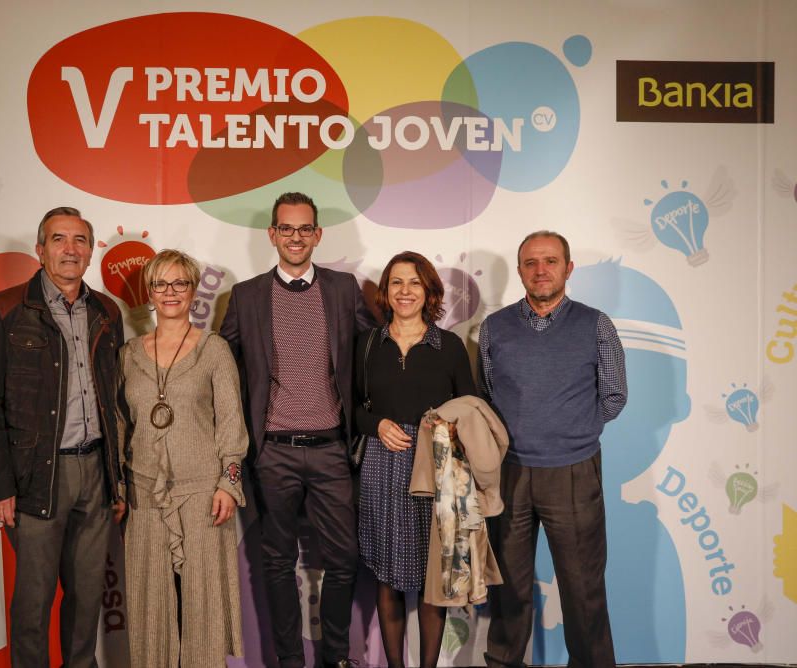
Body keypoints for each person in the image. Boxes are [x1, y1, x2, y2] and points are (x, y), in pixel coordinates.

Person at [0, 206, 126, 668]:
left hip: (95, 473)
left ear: (91, 251)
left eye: (79, 240)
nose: (70, 249)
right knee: (33, 604)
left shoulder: (106, 312)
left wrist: (116, 480)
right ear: (40, 250)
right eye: (59, 239)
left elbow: (113, 401)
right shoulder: (3, 311)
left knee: (87, 599)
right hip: (36, 476)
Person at [219, 192, 375, 668]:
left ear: (317, 235)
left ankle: (333, 657)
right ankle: (289, 659)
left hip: (331, 447)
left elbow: (374, 351)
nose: (295, 237)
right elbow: (221, 363)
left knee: (345, 560)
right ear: (272, 234)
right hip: (273, 452)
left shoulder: (344, 288)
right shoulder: (245, 296)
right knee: (277, 561)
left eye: (304, 228)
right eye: (286, 229)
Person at [480, 231, 627, 668]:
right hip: (509, 474)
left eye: (550, 261)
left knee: (582, 590)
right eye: (530, 262)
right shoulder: (495, 327)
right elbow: (488, 395)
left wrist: (572, 431)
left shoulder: (595, 324)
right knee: (509, 588)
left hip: (574, 472)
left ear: (568, 268)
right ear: (521, 269)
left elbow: (614, 395)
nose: (540, 270)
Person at [117, 249, 247, 667]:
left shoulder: (214, 350)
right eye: (160, 284)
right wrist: (118, 487)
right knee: (149, 605)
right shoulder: (128, 354)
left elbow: (231, 424)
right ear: (149, 294)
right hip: (143, 496)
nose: (170, 292)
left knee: (202, 606)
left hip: (204, 494)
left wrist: (229, 482)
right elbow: (120, 425)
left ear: (193, 292)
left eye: (180, 284)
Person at [355, 251, 477, 668]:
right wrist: (376, 425)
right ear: (386, 292)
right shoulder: (367, 343)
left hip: (437, 468)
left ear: (429, 292)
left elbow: (471, 408)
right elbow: (351, 408)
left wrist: (444, 429)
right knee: (387, 577)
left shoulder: (450, 346)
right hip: (382, 465)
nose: (405, 291)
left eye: (414, 283)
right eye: (396, 283)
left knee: (433, 576)